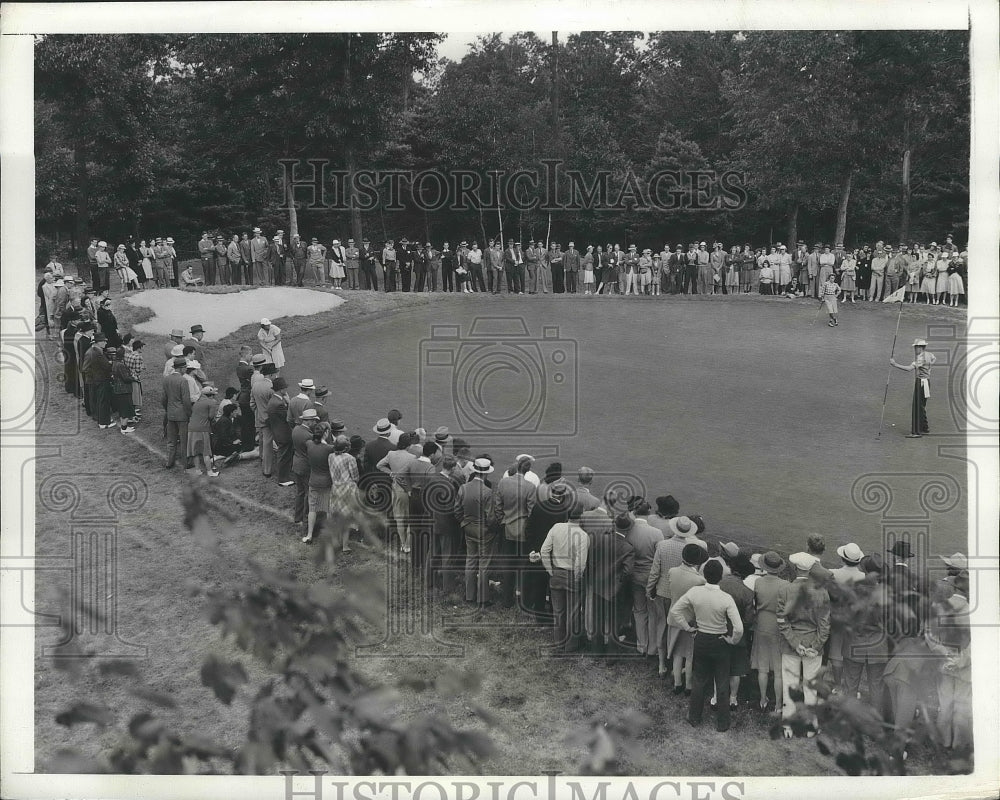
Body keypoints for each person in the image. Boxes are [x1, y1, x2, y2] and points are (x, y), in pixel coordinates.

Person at [667, 559, 744, 732]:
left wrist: (688, 627)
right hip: (720, 641)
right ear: (721, 578)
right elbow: (738, 627)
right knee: (722, 681)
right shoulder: (726, 598)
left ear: (704, 575)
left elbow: (675, 611)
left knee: (699, 679)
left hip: (701, 638)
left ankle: (694, 717)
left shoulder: (695, 592)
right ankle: (723, 723)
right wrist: (733, 640)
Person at [776, 552, 831, 737]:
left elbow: (782, 621)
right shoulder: (821, 591)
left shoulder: (785, 590)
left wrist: (794, 643)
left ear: (795, 568)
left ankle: (788, 726)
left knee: (789, 685)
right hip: (811, 646)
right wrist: (814, 646)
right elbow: (825, 625)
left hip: (791, 645)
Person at [537, 489, 590, 651]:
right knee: (573, 613)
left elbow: (544, 550)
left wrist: (550, 570)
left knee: (559, 611)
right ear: (581, 516)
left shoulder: (556, 527)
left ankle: (559, 642)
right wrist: (577, 577)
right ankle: (571, 645)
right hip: (571, 574)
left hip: (556, 574)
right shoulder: (582, 535)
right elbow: (581, 563)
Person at [455, 457, 499, 607]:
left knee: (470, 560)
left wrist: (463, 522)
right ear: (486, 474)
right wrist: (492, 529)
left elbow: (457, 510)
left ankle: (469, 595)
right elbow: (491, 517)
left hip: (468, 527)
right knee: (484, 564)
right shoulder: (487, 492)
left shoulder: (463, 487)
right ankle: (483, 598)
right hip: (483, 530)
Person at [890, 338, 937, 437]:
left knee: (917, 407)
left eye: (916, 347)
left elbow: (909, 369)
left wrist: (895, 364)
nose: (914, 349)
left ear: (920, 347)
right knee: (921, 406)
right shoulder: (929, 354)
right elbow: (934, 359)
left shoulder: (920, 358)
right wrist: (929, 367)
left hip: (921, 383)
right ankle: (925, 428)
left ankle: (916, 432)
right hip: (927, 382)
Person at [303, 422, 336, 544]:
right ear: (326, 433)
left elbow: (309, 442)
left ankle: (309, 535)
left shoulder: (309, 444)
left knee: (312, 509)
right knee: (328, 510)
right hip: (327, 482)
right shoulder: (329, 449)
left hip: (313, 481)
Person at [328, 434, 361, 554]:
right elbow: (356, 476)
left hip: (335, 488)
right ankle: (345, 546)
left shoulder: (330, 456)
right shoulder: (350, 458)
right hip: (347, 489)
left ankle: (335, 542)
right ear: (347, 447)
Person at [267, 377, 294, 486]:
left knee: (284, 455)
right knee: (284, 456)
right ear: (281, 389)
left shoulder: (274, 400)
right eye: (285, 387)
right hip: (283, 433)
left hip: (278, 432)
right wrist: (289, 403)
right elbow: (288, 417)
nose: (286, 389)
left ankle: (285, 475)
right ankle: (283, 479)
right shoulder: (278, 403)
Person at [109, 348, 136, 433]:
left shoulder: (115, 363)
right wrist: (133, 378)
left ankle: (123, 426)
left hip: (118, 390)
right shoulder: (120, 365)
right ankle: (124, 428)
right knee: (126, 409)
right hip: (124, 390)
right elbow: (126, 378)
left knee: (122, 409)